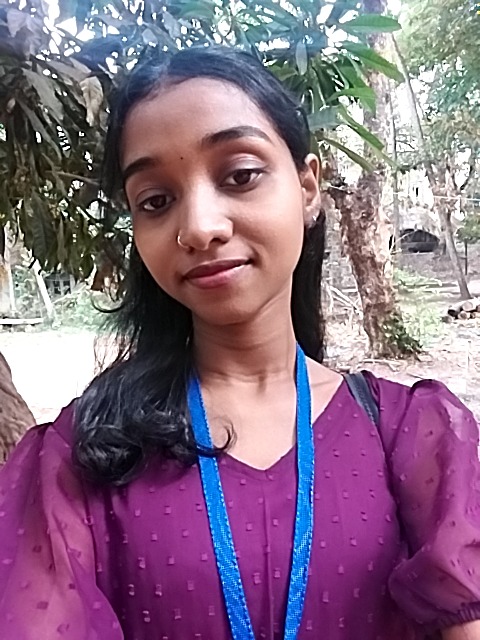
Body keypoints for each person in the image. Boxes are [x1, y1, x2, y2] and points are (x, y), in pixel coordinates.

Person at [0, 46, 479, 640]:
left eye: (240, 175)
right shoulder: (82, 454)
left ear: (308, 187)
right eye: (156, 201)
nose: (200, 227)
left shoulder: (412, 434)